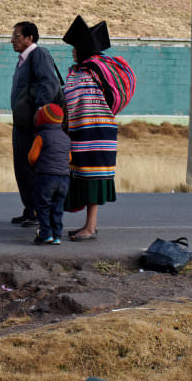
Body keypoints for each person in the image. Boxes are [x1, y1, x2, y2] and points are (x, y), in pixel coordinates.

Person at [61, 17, 117, 242]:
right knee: (85, 176)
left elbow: (77, 101)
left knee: (91, 177)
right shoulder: (89, 71)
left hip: (94, 133)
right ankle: (88, 225)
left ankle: (90, 227)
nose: (73, 52)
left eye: (76, 48)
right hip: (91, 131)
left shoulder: (88, 73)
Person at [9, 21, 62, 228]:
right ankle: (29, 208)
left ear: (29, 38)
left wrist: (40, 113)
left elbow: (48, 83)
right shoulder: (24, 58)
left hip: (32, 125)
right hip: (22, 124)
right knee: (22, 167)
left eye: (17, 36)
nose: (13, 40)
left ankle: (37, 211)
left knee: (32, 167)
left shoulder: (38, 54)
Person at [28, 103, 71, 245]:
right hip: (64, 178)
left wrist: (37, 165)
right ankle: (57, 235)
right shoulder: (66, 138)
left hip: (45, 177)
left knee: (43, 206)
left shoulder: (41, 136)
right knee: (58, 207)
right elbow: (69, 158)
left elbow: (32, 157)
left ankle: (46, 234)